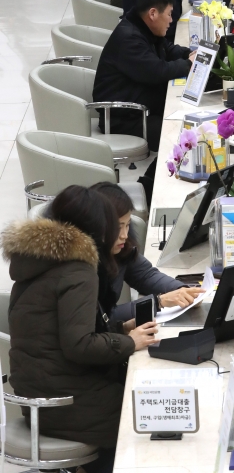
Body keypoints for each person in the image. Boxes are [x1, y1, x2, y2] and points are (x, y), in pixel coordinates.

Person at [2, 186, 158, 473]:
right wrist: (129, 343)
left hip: (38, 395)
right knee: (147, 409)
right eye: (117, 226)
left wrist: (120, 330)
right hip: (65, 402)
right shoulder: (79, 270)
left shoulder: (40, 259)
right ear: (98, 230)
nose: (123, 234)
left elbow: (61, 331)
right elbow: (79, 344)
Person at [93, 0, 195, 153]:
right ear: (153, 14)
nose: (171, 20)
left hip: (142, 108)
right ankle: (151, 178)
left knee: (183, 119)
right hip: (124, 118)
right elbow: (157, 71)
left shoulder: (143, 27)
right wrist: (188, 64)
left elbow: (167, 49)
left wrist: (189, 54)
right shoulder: (129, 39)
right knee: (177, 136)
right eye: (169, 14)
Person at [91, 182, 205, 324]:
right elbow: (99, 319)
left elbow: (145, 275)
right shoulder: (81, 265)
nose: (124, 235)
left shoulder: (120, 247)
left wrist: (181, 290)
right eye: (118, 228)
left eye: (127, 225)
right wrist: (158, 302)